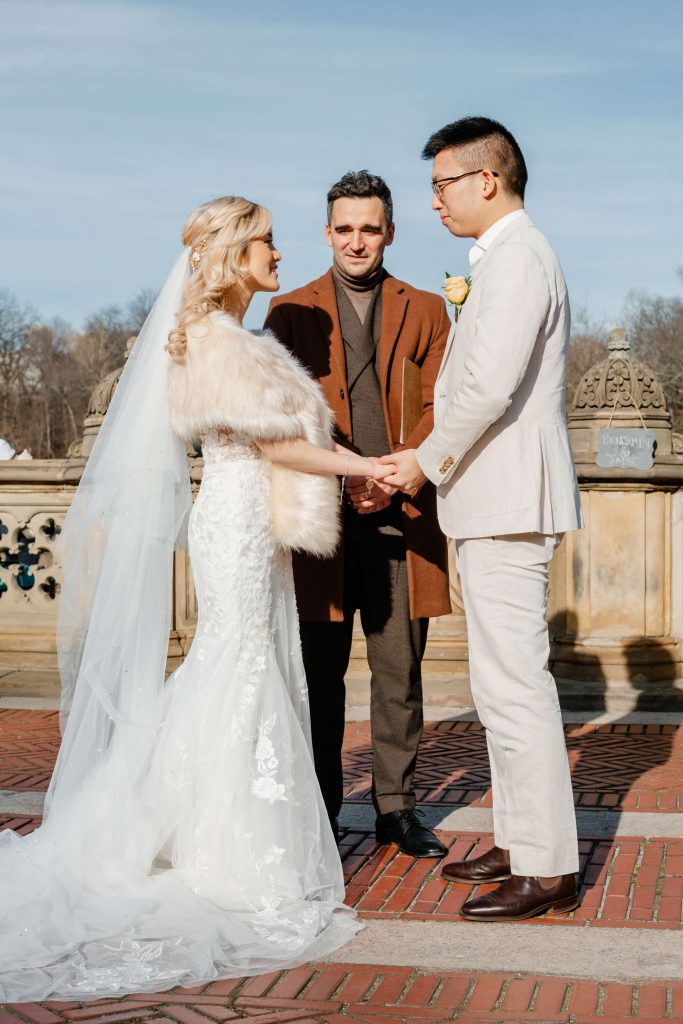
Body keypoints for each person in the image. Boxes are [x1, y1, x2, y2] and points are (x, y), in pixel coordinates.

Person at [0, 196, 386, 1002]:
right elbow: (277, 444)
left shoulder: (233, 339)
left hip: (252, 523)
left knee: (241, 668)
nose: (278, 256)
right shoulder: (214, 342)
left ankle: (188, 822)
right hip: (237, 525)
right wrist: (372, 468)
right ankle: (220, 848)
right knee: (237, 670)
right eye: (267, 243)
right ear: (234, 253)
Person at [384, 117, 584, 920]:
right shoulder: (504, 258)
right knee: (495, 682)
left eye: (442, 183)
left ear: (487, 181)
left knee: (515, 686)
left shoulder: (520, 259)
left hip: (507, 499)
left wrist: (419, 462)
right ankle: (517, 835)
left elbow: (488, 389)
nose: (433, 199)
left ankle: (546, 866)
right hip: (490, 500)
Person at [265, 171, 451, 859]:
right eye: (343, 228)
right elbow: (281, 413)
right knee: (320, 672)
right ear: (327, 234)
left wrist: (399, 469)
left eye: (369, 228)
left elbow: (442, 407)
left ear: (389, 233)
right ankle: (319, 805)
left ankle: (396, 808)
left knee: (399, 671)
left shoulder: (429, 309)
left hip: (404, 512)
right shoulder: (289, 310)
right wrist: (348, 480)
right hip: (322, 517)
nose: (356, 241)